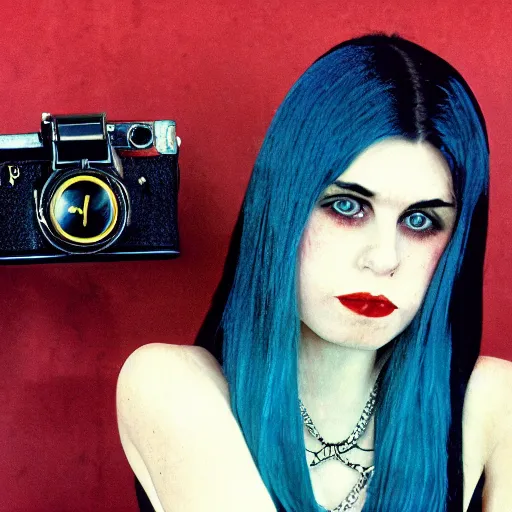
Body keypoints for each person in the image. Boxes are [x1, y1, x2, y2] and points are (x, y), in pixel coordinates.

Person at [116, 33, 512, 511]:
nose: (384, 258)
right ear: (283, 209)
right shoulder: (171, 384)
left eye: (420, 220)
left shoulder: (493, 404)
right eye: (346, 207)